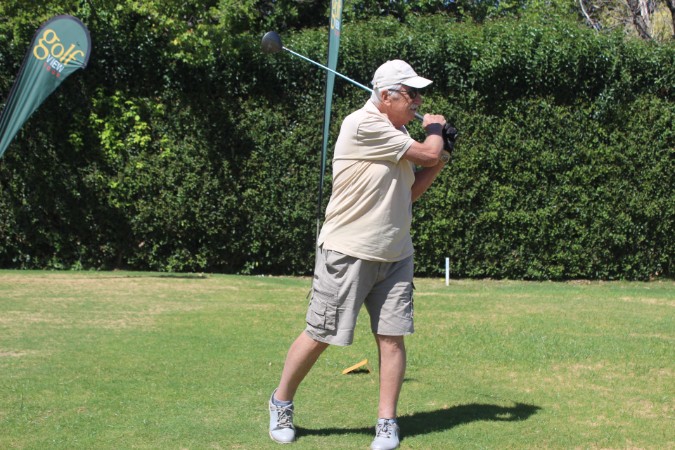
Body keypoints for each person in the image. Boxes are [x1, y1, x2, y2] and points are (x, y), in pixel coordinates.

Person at [268, 59, 450, 450]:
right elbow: (426, 153)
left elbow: (409, 193)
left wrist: (442, 154)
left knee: (392, 339)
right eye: (412, 94)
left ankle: (386, 423)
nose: (419, 102)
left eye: (419, 95)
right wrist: (436, 132)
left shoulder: (398, 131)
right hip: (348, 251)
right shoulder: (363, 124)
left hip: (395, 253)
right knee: (321, 335)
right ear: (386, 96)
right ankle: (281, 402)